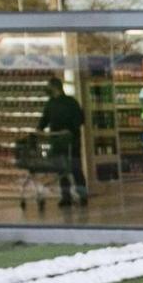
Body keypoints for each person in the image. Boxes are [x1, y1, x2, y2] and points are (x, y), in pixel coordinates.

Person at [37, 76, 87, 208]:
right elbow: (80, 120)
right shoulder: (69, 102)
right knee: (68, 169)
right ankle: (74, 196)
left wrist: (40, 129)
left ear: (54, 87)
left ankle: (72, 196)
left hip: (66, 141)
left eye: (49, 87)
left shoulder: (57, 103)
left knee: (70, 169)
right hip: (66, 140)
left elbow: (43, 121)